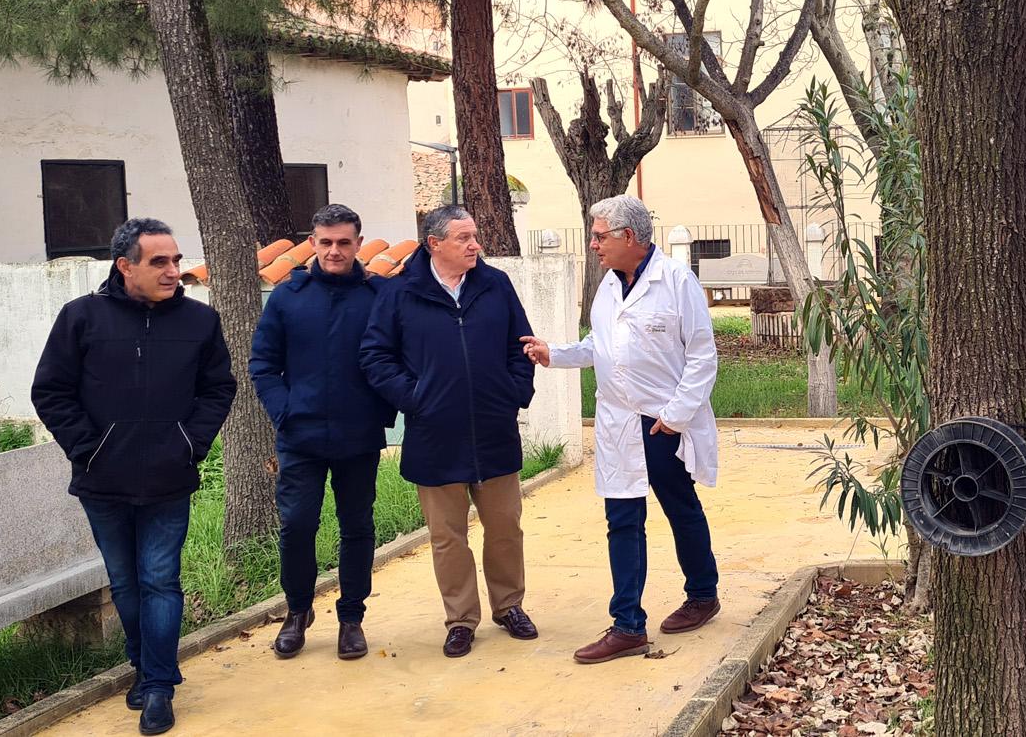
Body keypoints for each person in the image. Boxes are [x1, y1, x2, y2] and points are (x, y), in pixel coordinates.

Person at [31, 218, 235, 735]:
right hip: (102, 481)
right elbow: (51, 390)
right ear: (126, 266)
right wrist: (89, 447)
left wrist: (189, 444)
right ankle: (143, 669)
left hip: (170, 478)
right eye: (159, 262)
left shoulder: (199, 322)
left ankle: (160, 687)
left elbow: (218, 389)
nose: (174, 270)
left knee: (160, 580)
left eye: (175, 259)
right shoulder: (81, 318)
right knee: (125, 582)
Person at [521, 195, 722, 665]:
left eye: (599, 236)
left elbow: (702, 356)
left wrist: (675, 416)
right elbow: (601, 344)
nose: (592, 244)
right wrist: (558, 353)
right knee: (623, 521)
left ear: (628, 237)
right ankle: (628, 625)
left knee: (681, 508)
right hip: (617, 424)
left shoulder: (676, 281)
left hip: (661, 423)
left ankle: (702, 595)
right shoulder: (609, 285)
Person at [360, 205, 539, 659]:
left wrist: (514, 391)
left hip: (494, 430)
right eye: (464, 238)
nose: (475, 244)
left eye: (475, 236)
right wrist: (417, 399)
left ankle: (509, 606)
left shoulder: (495, 285)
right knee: (447, 536)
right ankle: (461, 619)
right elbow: (376, 358)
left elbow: (522, 346)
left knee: (505, 527)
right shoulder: (400, 293)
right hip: (434, 435)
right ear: (434, 244)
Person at [250, 204, 395, 661]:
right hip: (300, 437)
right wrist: (285, 412)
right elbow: (263, 364)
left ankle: (351, 618)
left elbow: (401, 355)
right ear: (312, 243)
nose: (334, 251)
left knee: (357, 527)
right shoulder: (288, 296)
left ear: (358, 243)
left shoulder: (380, 295)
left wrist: (383, 410)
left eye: (344, 242)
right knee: (296, 526)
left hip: (359, 435)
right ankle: (296, 612)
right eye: (325, 242)